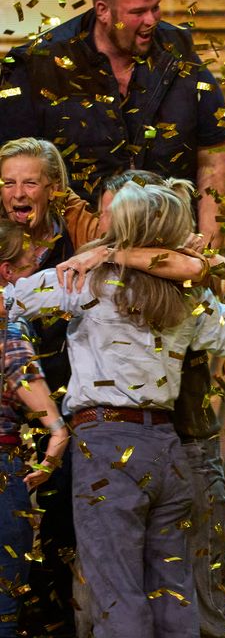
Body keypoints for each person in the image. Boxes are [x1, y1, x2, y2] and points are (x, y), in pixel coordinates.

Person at [2, 182, 225, 637]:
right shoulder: (191, 297)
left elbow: (8, 303)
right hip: (166, 447)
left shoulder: (86, 280)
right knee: (172, 592)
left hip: (106, 448)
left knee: (115, 590)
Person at [0, 0, 225, 247]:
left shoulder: (179, 53)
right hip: (71, 257)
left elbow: (214, 152)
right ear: (103, 11)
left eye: (155, 7)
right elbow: (12, 173)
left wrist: (209, 244)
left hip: (171, 247)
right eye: (137, 12)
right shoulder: (40, 65)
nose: (151, 20)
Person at [0, 220, 70, 637]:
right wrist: (57, 432)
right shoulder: (7, 320)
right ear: (7, 272)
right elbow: (17, 367)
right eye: (29, 266)